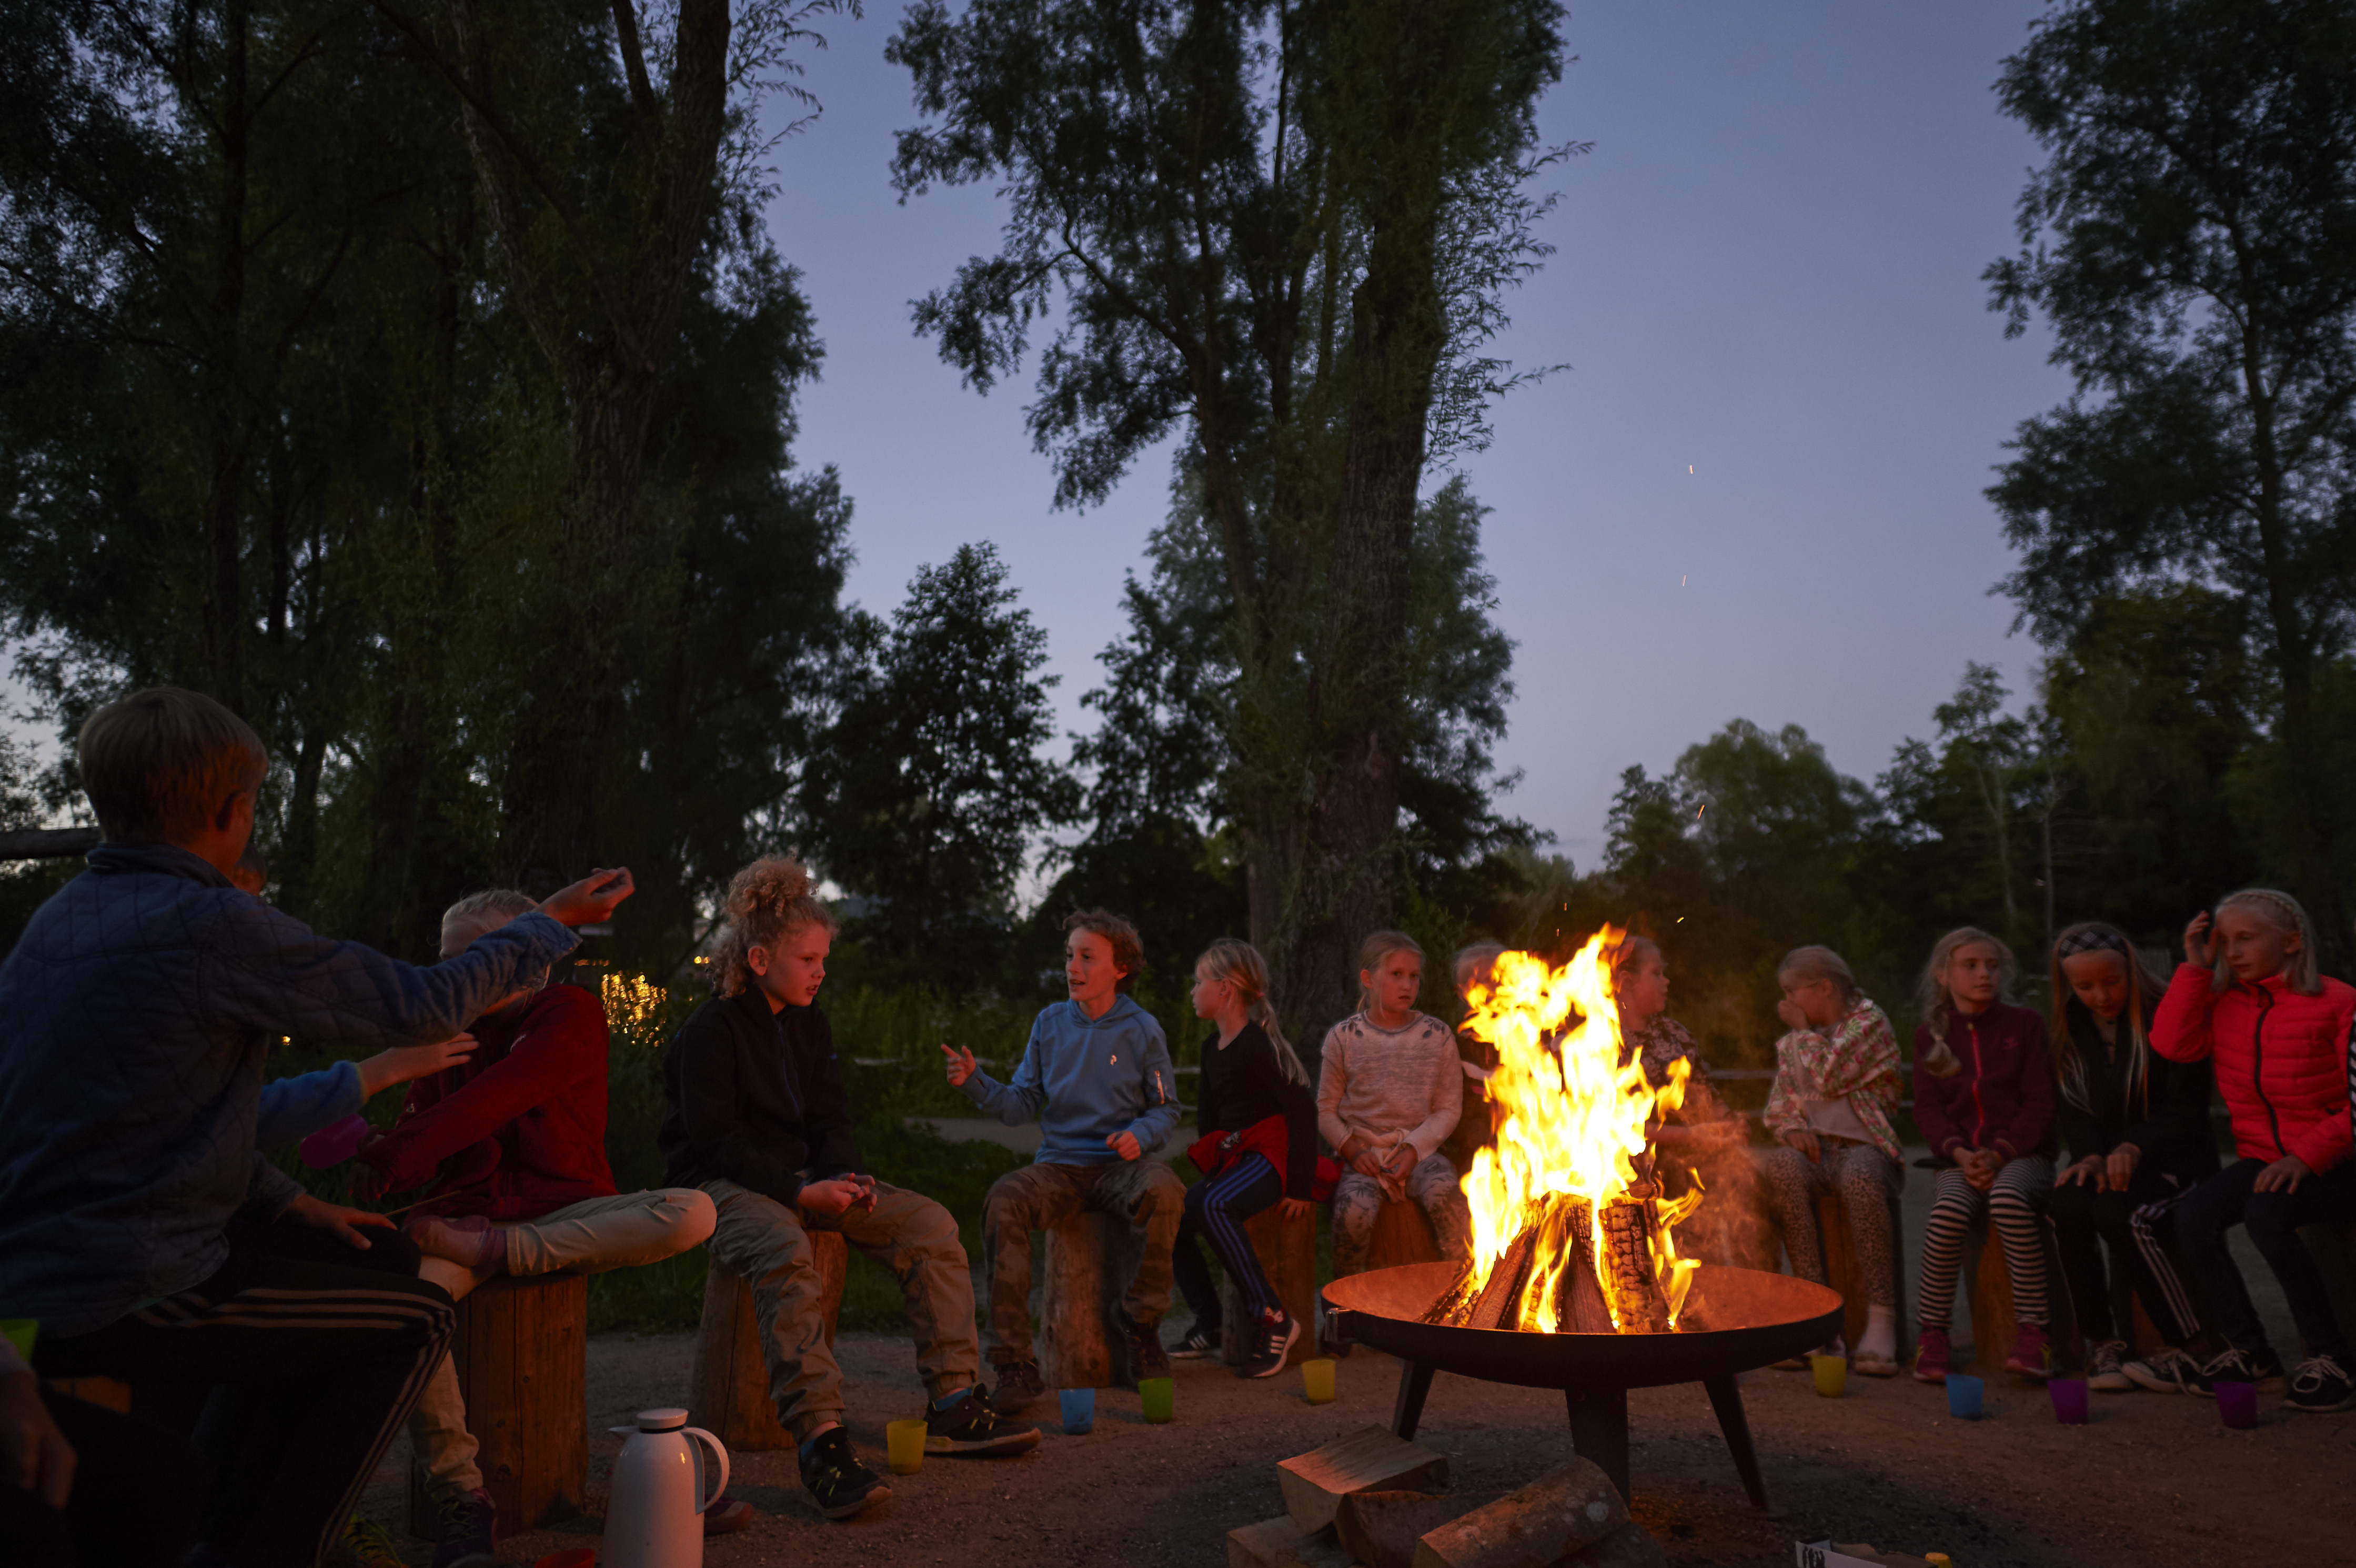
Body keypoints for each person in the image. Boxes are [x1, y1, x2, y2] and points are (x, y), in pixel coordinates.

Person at [0, 687, 630, 1568]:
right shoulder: (207, 921)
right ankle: (264, 1548)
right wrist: (548, 922)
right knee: (413, 1319)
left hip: (56, 1263)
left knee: (378, 1257)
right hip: (130, 1275)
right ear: (233, 810)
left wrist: (295, 1204)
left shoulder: (56, 924)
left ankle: (215, 1522)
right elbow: (420, 1004)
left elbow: (153, 1117)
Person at [353, 889, 721, 1562]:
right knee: (412, 1308)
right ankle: (462, 1495)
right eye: (448, 960)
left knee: (694, 1210)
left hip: (564, 1210)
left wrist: (399, 1156)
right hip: (465, 1218)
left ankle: (504, 1249)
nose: (457, 974)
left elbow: (502, 1094)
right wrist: (376, 1151)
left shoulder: (568, 1013)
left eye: (476, 957)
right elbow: (417, 1138)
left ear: (531, 962)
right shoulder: (446, 1035)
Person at [666, 860, 1036, 1523]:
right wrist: (799, 1194)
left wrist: (846, 1176)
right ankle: (821, 1443)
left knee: (929, 1224)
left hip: (800, 1181)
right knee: (785, 1246)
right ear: (758, 958)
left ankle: (953, 1400)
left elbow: (830, 1121)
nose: (820, 971)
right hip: (719, 1186)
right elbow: (716, 1142)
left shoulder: (810, 1023)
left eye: (823, 958)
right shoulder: (710, 1031)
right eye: (808, 958)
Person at [947, 909, 1185, 1412]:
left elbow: (1167, 1109)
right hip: (1061, 1169)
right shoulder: (1050, 1023)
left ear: (1120, 968)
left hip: (1121, 1169)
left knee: (1166, 1190)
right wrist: (975, 1081)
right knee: (1004, 1199)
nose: (1072, 967)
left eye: (1086, 957)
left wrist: (1140, 1136)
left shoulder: (1144, 1030)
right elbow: (1020, 1104)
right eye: (1069, 956)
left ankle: (1140, 1325)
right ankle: (1015, 1363)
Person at [2150, 890, 2356, 1412]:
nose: (2232, 951)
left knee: (2267, 1215)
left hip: (2336, 1159)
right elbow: (2171, 1045)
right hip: (2266, 1156)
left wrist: (2306, 1156)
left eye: (2245, 938)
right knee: (2193, 1215)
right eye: (2224, 941)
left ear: (2291, 941)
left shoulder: (2338, 1000)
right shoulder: (2224, 1002)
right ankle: (2250, 1351)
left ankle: (2333, 1359)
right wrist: (2194, 970)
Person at [2042, 923, 2217, 1394]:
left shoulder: (2168, 1014)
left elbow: (2187, 1108)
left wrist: (2134, 1145)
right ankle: (2103, 1342)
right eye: (2085, 986)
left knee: (2122, 1214)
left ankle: (2198, 1345)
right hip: (2113, 1163)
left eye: (2111, 981)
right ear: (2068, 987)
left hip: (2175, 1160)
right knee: (2068, 1205)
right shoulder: (2071, 1030)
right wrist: (2092, 1156)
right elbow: (2073, 1109)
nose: (2100, 995)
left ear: (2131, 969)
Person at [1910, 927, 2059, 1383]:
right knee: (1948, 1212)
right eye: (1971, 966)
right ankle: (1933, 1334)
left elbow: (2041, 1103)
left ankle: (2037, 1333)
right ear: (1943, 974)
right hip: (1960, 1160)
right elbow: (1929, 1110)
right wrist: (1959, 1153)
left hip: (2021, 1157)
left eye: (1992, 966)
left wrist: (1998, 1154)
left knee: (2010, 1201)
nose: (1984, 975)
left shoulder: (2024, 1025)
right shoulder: (1930, 1036)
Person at [1168, 940, 1324, 1376]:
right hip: (1238, 1159)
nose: (1193, 991)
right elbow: (1208, 1120)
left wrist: (1298, 1186)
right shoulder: (1209, 1048)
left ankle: (1274, 1318)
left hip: (1272, 1157)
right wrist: (1215, 1168)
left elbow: (1302, 1111)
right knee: (1178, 1214)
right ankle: (1211, 1321)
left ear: (1226, 989)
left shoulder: (1256, 1045)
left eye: (1199, 983)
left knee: (1215, 1205)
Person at [1756, 945, 1906, 1375]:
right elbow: (1780, 1104)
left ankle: (1882, 1320)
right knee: (1782, 1166)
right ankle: (1815, 1316)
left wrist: (1802, 1033)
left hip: (1866, 1151)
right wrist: (1791, 1130)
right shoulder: (1794, 1043)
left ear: (1824, 988)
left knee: (1860, 1176)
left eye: (1792, 991)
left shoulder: (1869, 1023)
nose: (1786, 1003)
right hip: (1820, 1153)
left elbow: (1829, 1074)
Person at [1318, 931, 1470, 1313]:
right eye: (1397, 975)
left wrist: (1415, 1150)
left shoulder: (1435, 1036)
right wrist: (1352, 1150)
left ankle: (1465, 1301)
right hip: (1365, 1157)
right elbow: (1325, 1111)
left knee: (1449, 1202)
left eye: (1414, 976)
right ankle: (1344, 1310)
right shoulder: (1344, 1038)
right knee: (1353, 1213)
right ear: (1369, 979)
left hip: (1419, 1153)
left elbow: (1449, 1109)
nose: (1408, 985)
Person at [1442, 941, 1508, 1177]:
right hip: (1477, 1160)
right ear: (1463, 992)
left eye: (1500, 979)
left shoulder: (1530, 1041)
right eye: (1484, 981)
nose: (1494, 988)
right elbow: (1453, 1120)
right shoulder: (1454, 1051)